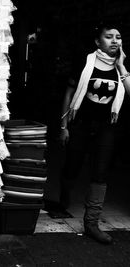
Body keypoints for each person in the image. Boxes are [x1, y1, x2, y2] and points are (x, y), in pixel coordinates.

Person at [58, 22, 130, 244]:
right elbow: (69, 94)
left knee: (100, 173)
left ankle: (91, 224)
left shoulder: (122, 67)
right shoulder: (85, 62)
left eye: (118, 37)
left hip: (106, 127)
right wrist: (63, 127)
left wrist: (122, 66)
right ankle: (64, 198)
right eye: (109, 37)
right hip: (80, 123)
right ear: (98, 42)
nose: (115, 41)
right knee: (73, 165)